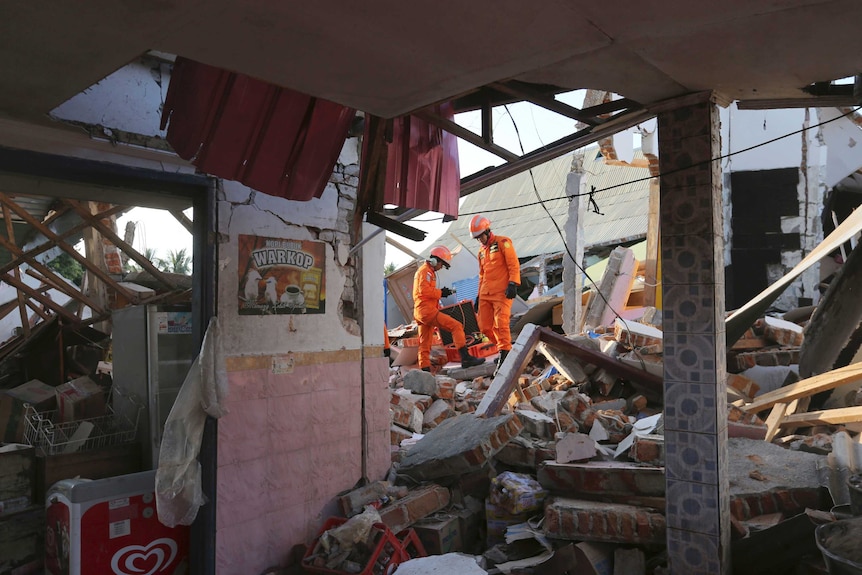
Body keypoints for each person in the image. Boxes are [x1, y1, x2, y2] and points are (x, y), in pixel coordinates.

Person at [413, 246, 485, 371]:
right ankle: (466, 358)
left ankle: (424, 372)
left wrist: (440, 294)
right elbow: (424, 291)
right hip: (427, 311)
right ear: (436, 261)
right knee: (456, 326)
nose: (441, 267)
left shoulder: (425, 271)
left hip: (421, 312)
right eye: (442, 264)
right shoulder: (426, 271)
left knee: (424, 344)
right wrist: (441, 292)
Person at [470, 214, 520, 369]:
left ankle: (505, 353)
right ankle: (504, 348)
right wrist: (478, 295)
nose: (480, 240)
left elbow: (513, 264)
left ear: (487, 231)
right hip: (485, 294)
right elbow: (482, 274)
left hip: (501, 293)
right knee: (484, 327)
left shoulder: (503, 242)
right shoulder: (480, 252)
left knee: (501, 325)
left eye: (480, 237)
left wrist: (513, 282)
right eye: (477, 238)